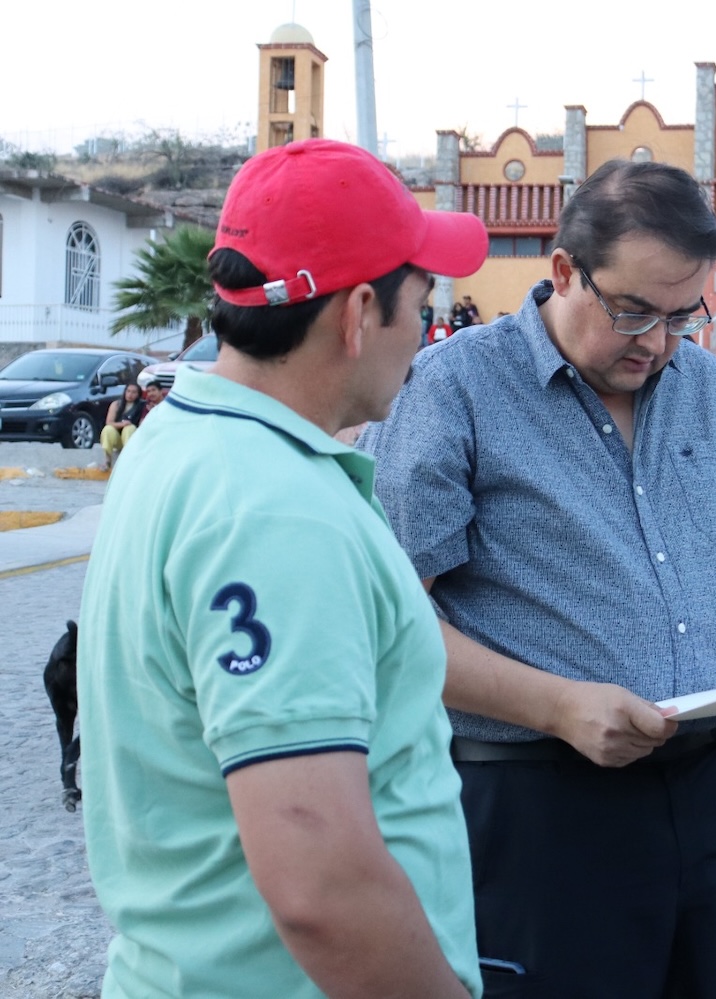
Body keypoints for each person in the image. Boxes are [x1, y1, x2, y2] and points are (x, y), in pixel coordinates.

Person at [360, 157, 716, 999]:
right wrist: (556, 705)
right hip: (534, 806)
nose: (657, 342)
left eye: (683, 315)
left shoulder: (713, 394)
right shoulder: (453, 392)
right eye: (632, 312)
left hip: (715, 792)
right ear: (565, 271)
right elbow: (392, 624)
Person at [76, 137, 488, 999]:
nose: (425, 336)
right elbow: (320, 886)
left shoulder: (182, 437)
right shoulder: (274, 510)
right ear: (359, 313)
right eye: (421, 306)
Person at [99, 381, 145, 470]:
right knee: (108, 429)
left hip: (132, 438)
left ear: (138, 394)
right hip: (117, 437)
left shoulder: (141, 405)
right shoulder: (116, 404)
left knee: (129, 428)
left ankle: (128, 460)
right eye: (128, 391)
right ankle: (108, 460)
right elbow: (109, 422)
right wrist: (122, 424)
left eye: (134, 392)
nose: (130, 394)